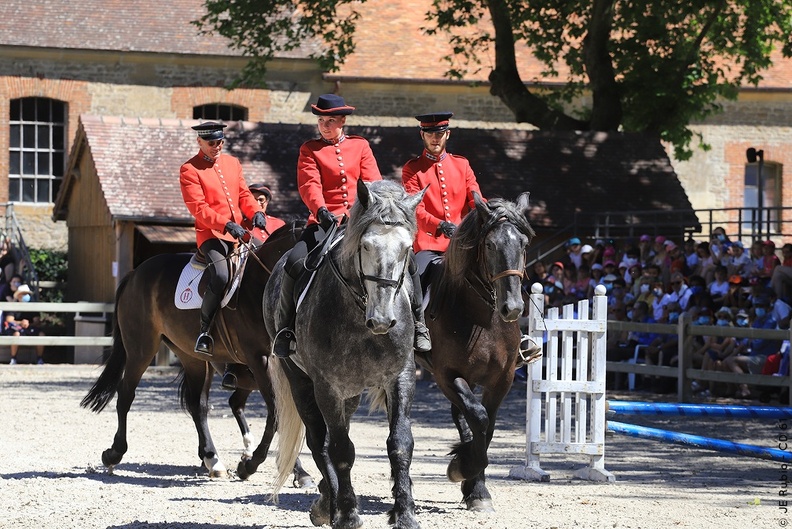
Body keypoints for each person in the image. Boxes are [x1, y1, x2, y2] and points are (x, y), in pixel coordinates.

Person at [272, 94, 431, 358]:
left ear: (342, 121)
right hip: (325, 221)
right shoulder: (309, 149)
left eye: (330, 120)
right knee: (294, 263)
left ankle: (419, 324)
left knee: (409, 261)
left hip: (362, 220)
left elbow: (374, 183)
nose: (324, 125)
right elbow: (308, 184)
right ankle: (285, 328)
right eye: (321, 120)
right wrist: (321, 209)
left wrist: (370, 211)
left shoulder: (360, 146)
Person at [180, 122, 267, 356]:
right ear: (199, 142)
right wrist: (226, 224)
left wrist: (256, 212)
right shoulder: (190, 169)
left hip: (239, 234)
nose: (217, 146)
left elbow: (243, 195)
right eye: (211, 143)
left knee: (269, 262)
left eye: (220, 142)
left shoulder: (232, 163)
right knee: (220, 276)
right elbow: (198, 208)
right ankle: (205, 332)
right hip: (211, 235)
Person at [222, 183, 287, 389]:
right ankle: (231, 366)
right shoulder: (239, 222)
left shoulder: (278, 224)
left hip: (275, 275)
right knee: (232, 289)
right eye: (254, 199)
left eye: (261, 200)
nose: (258, 203)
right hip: (246, 270)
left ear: (266, 203)